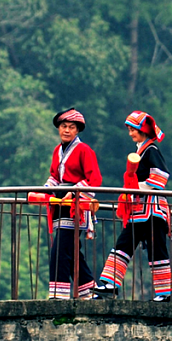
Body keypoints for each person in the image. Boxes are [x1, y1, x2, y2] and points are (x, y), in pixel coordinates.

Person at [94, 111, 172, 301]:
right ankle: (110, 284)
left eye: (133, 130)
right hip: (139, 210)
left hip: (152, 210)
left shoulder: (151, 150)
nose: (130, 133)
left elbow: (161, 176)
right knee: (123, 244)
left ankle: (165, 294)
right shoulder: (141, 151)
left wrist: (135, 187)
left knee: (156, 250)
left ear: (143, 130)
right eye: (129, 130)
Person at [43, 108, 102, 299]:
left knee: (60, 250)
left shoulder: (84, 150)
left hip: (76, 206)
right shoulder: (57, 150)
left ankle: (58, 295)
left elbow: (94, 180)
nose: (67, 130)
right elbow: (54, 177)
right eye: (63, 126)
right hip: (60, 205)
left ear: (77, 131)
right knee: (72, 252)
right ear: (58, 128)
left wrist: (74, 191)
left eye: (71, 127)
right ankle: (90, 292)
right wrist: (45, 190)